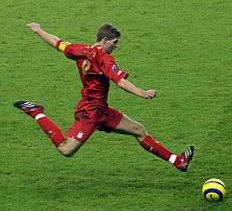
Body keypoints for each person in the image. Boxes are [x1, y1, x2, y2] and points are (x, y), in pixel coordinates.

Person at [14, 22, 195, 172]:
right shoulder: (104, 58)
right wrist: (143, 93)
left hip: (101, 109)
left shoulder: (80, 49)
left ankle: (178, 161)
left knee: (138, 130)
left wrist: (39, 30)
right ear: (105, 40)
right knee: (66, 149)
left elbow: (57, 43)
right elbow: (121, 82)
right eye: (115, 42)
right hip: (91, 112)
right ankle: (37, 112)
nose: (117, 46)